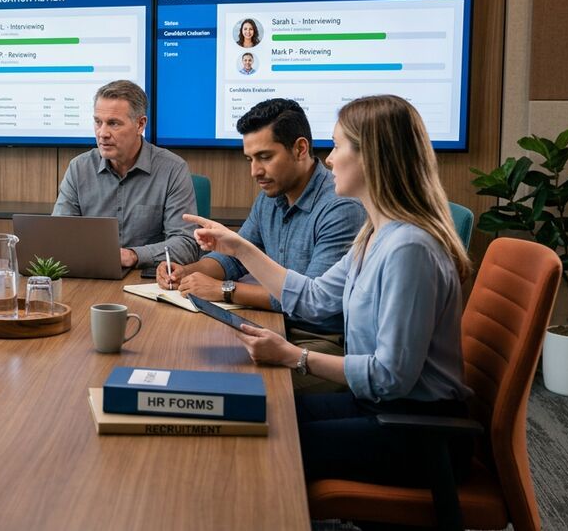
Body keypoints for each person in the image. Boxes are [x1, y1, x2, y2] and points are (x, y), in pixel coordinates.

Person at [184, 94, 473, 488]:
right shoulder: (375, 234)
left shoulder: (409, 248)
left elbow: (390, 376)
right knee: (254, 414)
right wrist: (238, 247)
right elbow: (316, 298)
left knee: (260, 445)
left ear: (373, 157)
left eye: (338, 147)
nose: (331, 159)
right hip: (376, 405)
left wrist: (295, 356)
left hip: (416, 429)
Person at [156, 98, 365, 393]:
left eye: (265, 157)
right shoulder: (272, 194)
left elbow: (311, 303)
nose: (255, 171)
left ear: (300, 149)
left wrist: (224, 290)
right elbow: (234, 258)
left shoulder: (339, 206)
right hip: (275, 327)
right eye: (250, 159)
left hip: (320, 342)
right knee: (187, 361)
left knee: (226, 388)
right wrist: (186, 272)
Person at [53, 80, 200, 268]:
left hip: (147, 281)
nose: (102, 133)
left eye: (113, 123)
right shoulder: (79, 168)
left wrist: (134, 255)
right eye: (98, 122)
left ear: (140, 124)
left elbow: (186, 245)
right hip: (92, 275)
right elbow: (59, 238)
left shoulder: (173, 169)